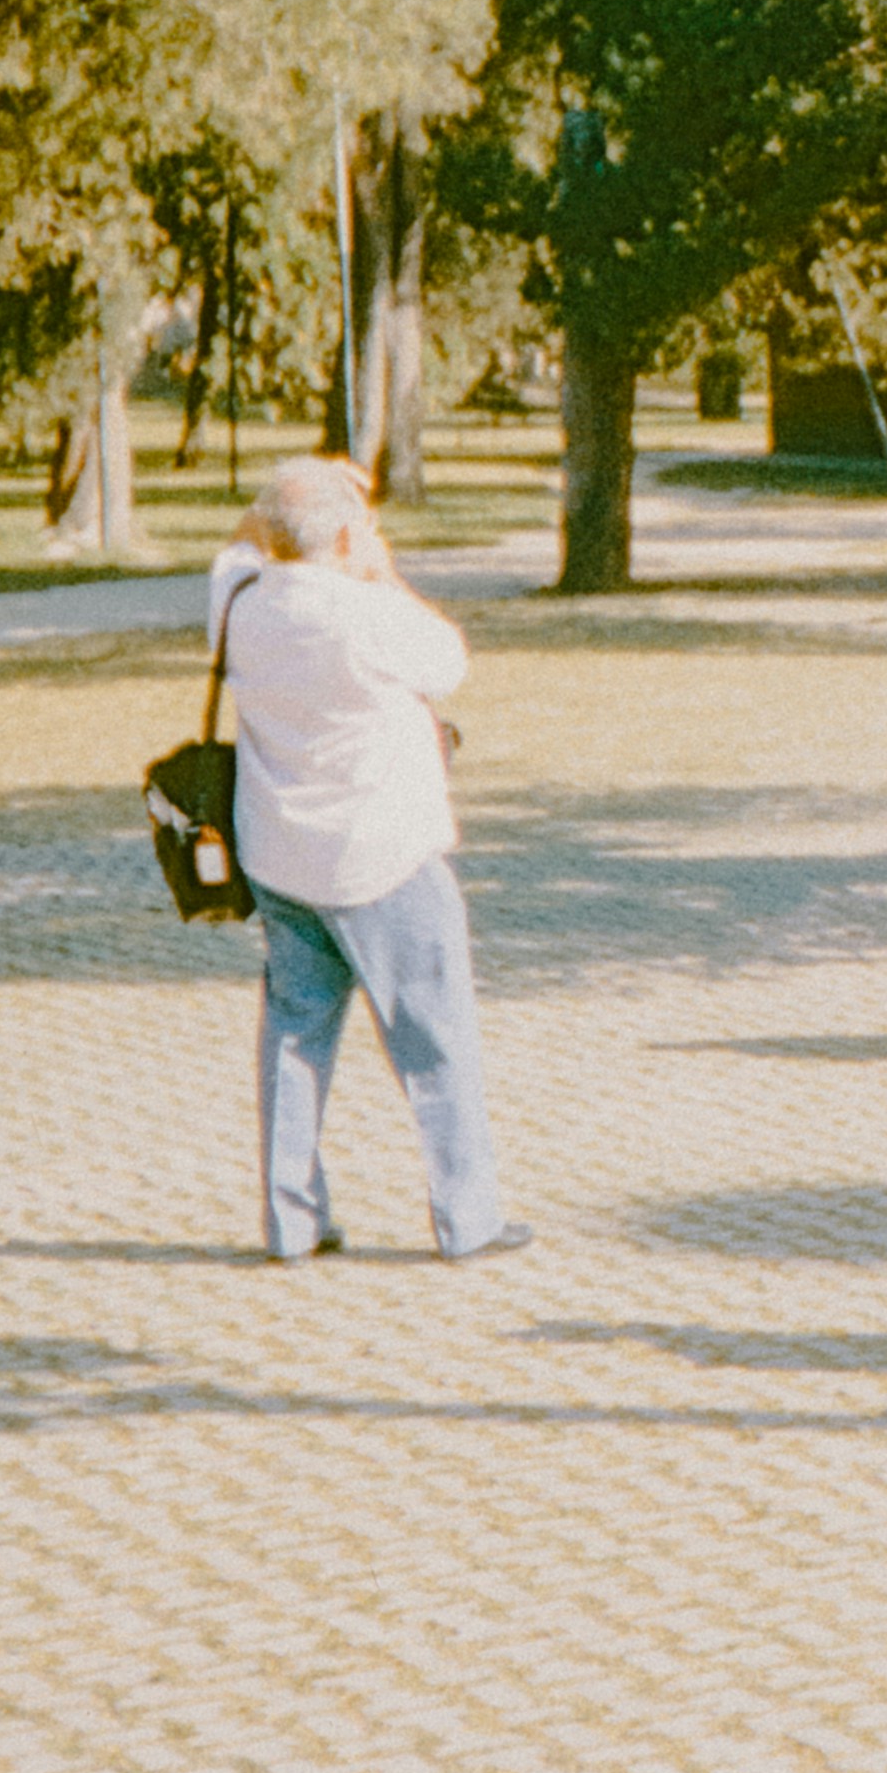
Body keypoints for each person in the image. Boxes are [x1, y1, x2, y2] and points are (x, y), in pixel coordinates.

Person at [210, 455, 524, 1266]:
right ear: (349, 537)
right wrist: (382, 571)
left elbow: (240, 543)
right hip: (383, 854)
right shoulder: (366, 613)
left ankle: (292, 1220)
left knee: (293, 1040)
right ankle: (468, 1216)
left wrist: (300, 487)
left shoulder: (239, 600)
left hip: (279, 852)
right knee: (435, 1039)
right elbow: (448, 661)